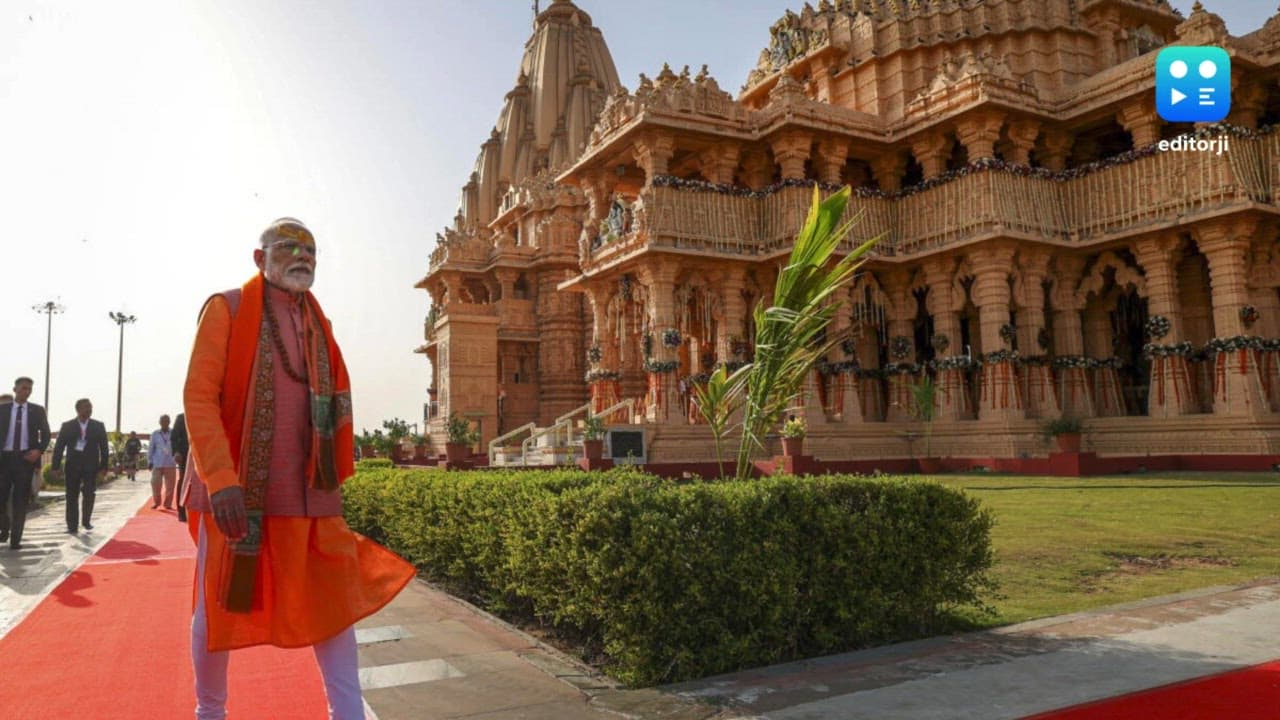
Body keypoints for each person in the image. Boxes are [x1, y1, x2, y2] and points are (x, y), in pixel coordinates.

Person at [182, 217, 413, 719]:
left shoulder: (316, 322)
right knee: (216, 605)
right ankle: (210, 711)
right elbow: (198, 398)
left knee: (332, 604)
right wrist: (221, 480)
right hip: (236, 487)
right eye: (288, 246)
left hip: (311, 488)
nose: (302, 256)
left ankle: (346, 714)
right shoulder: (228, 308)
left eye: (310, 250)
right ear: (259, 258)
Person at [0, 377, 51, 550]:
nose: (26, 391)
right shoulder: (3, 410)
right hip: (4, 460)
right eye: (23, 388)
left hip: (25, 460)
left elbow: (45, 434)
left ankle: (16, 539)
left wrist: (38, 451)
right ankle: (4, 527)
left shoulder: (37, 411)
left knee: (20, 500)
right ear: (15, 389)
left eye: (29, 389)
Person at [51, 398, 110, 533]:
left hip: (91, 466)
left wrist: (104, 467)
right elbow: (59, 447)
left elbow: (104, 447)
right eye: (85, 407)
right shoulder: (67, 426)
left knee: (89, 493)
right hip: (72, 466)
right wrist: (55, 466)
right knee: (71, 495)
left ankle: (86, 521)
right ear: (78, 410)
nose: (89, 410)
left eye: (90, 407)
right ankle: (72, 525)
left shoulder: (98, 426)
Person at [149, 415, 178, 509]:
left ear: (169, 422)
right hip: (157, 463)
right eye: (162, 421)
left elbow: (177, 446)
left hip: (170, 462)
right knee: (155, 483)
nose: (164, 422)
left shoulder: (174, 433)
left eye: (166, 421)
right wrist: (150, 461)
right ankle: (157, 502)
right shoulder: (155, 434)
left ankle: (168, 504)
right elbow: (151, 448)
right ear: (159, 422)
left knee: (170, 486)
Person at [171, 412, 189, 522]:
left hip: (203, 454)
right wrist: (176, 452)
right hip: (185, 455)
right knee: (183, 481)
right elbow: (174, 438)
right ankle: (181, 512)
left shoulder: (206, 413)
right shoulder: (182, 418)